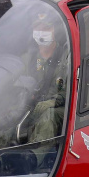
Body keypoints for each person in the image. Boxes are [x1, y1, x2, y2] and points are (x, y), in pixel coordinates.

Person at [23, 16, 70, 161]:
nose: (41, 33)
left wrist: (53, 102)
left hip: (61, 106)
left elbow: (71, 88)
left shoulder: (67, 56)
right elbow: (20, 85)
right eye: (37, 29)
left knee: (49, 116)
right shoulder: (28, 58)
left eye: (46, 28)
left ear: (55, 30)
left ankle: (32, 158)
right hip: (34, 105)